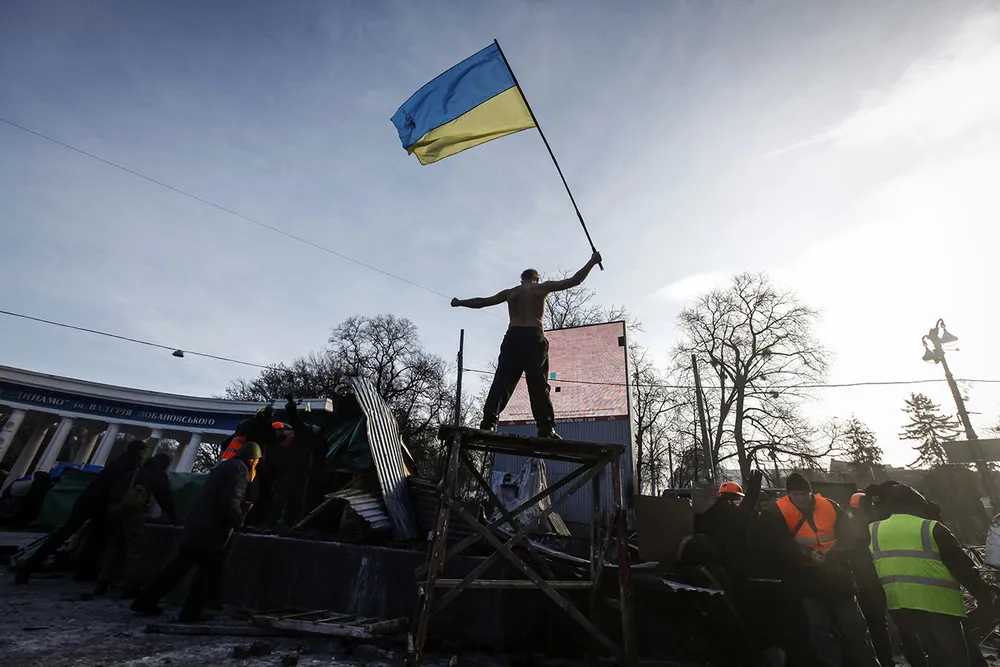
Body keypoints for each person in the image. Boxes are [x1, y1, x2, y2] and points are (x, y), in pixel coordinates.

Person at [451, 251, 602, 438]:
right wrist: (592, 261)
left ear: (521, 281)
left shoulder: (511, 292)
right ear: (537, 280)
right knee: (538, 384)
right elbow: (575, 280)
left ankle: (488, 423)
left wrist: (460, 302)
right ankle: (546, 428)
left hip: (513, 337)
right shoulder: (542, 288)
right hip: (533, 337)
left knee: (502, 381)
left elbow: (482, 302)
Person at [130, 441, 262, 623]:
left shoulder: (225, 466)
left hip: (197, 525)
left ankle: (145, 601)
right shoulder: (240, 470)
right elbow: (231, 500)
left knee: (178, 567)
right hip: (213, 530)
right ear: (253, 459)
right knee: (206, 573)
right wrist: (239, 519)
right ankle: (191, 612)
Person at [869, 484, 996, 667]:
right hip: (939, 604)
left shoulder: (873, 530)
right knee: (955, 658)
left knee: (932, 655)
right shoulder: (932, 528)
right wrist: (985, 598)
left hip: (900, 604)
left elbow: (867, 570)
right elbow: (963, 569)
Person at [761, 473, 880, 667]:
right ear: (789, 494)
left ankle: (867, 663)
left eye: (804, 494)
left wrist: (833, 554)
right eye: (796, 494)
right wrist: (806, 554)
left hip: (836, 575)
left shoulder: (829, 506)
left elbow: (849, 536)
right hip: (807, 579)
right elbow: (777, 541)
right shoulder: (778, 511)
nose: (801, 498)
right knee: (820, 630)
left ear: (810, 492)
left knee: (854, 628)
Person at [16, 439, 148, 584]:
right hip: (96, 504)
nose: (141, 456)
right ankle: (29, 567)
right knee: (72, 535)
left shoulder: (121, 463)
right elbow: (114, 490)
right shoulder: (125, 466)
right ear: (137, 452)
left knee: (91, 539)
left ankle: (84, 571)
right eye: (141, 452)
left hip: (92, 503)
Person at [93, 452, 177, 599]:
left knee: (114, 547)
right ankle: (130, 586)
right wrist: (175, 517)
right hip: (132, 514)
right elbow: (164, 497)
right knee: (135, 551)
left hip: (114, 511)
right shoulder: (156, 475)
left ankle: (103, 581)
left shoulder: (136, 471)